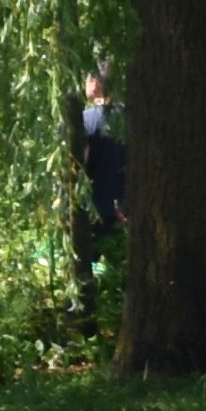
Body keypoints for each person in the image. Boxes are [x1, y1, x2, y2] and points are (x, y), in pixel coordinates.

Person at [69, 72, 124, 296]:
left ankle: (86, 318)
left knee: (84, 270)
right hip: (125, 206)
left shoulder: (87, 119)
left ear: (95, 83)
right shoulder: (134, 118)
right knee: (122, 274)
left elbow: (79, 164)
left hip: (93, 205)